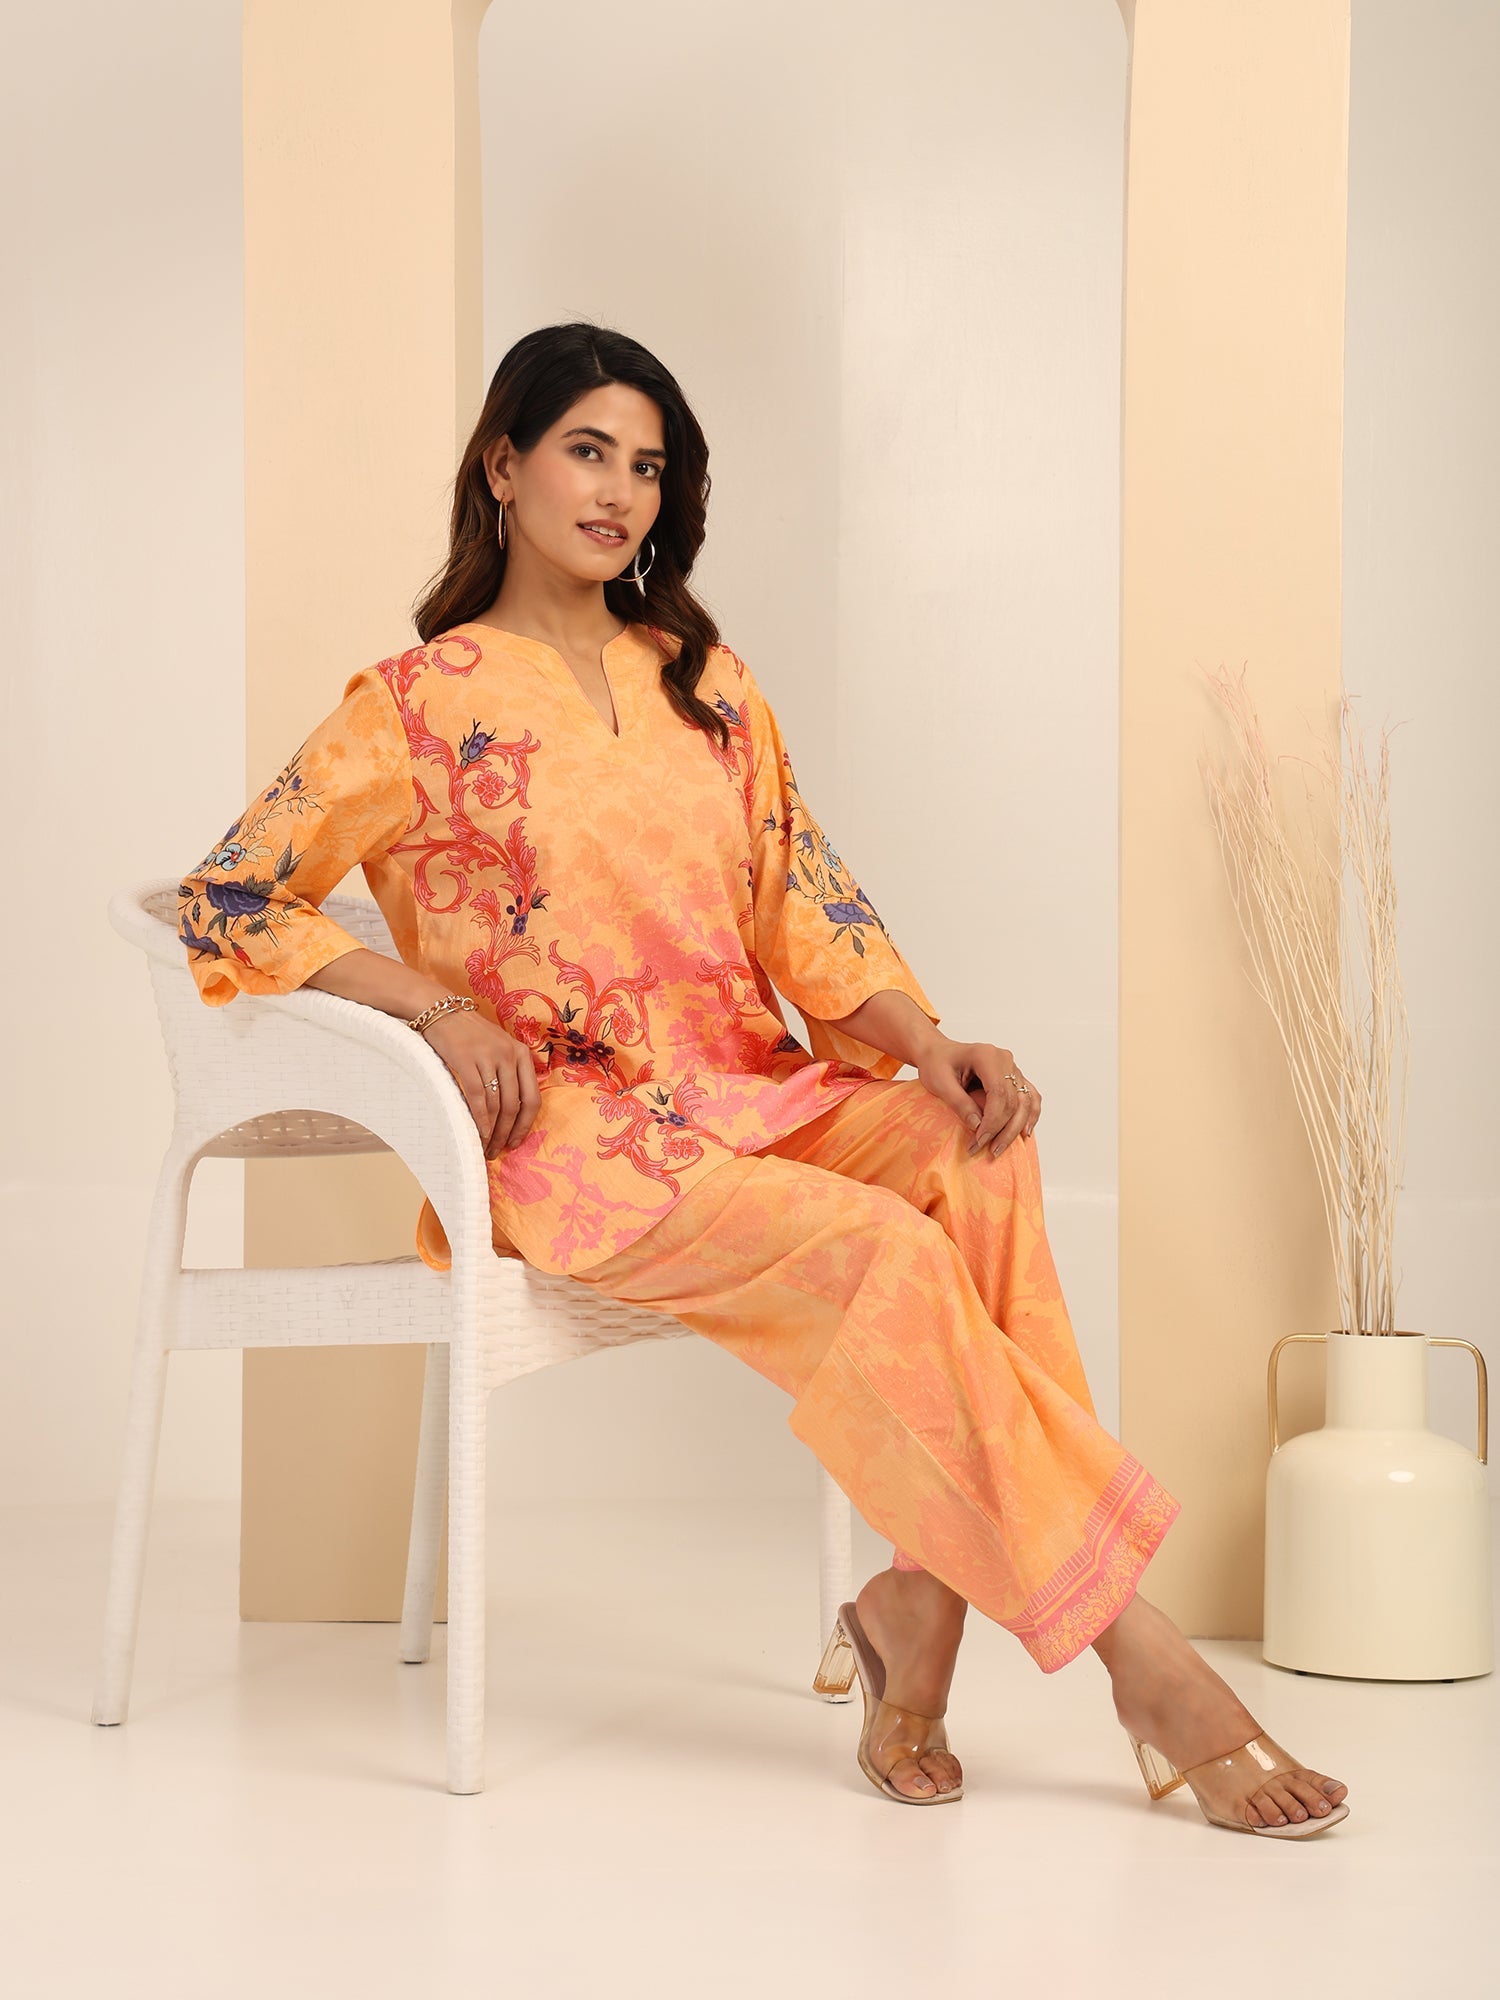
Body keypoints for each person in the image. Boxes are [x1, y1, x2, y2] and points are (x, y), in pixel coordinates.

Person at [177, 321, 1349, 1834]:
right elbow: (230, 896)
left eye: (648, 465)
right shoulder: (410, 705)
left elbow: (806, 904)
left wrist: (927, 1043)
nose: (620, 492)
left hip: (747, 1090)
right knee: (884, 1250)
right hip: (577, 1143)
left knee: (973, 1154)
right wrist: (431, 1006)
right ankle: (1146, 1663)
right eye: (588, 451)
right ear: (504, 467)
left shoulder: (707, 685)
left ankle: (920, 1607)